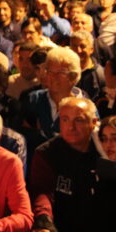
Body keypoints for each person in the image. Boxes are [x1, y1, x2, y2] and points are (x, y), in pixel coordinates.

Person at [28, 98, 101, 232]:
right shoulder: (46, 153)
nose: (71, 127)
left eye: (78, 120)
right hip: (60, 224)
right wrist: (44, 222)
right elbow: (42, 192)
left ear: (93, 123)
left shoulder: (105, 150)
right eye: (65, 119)